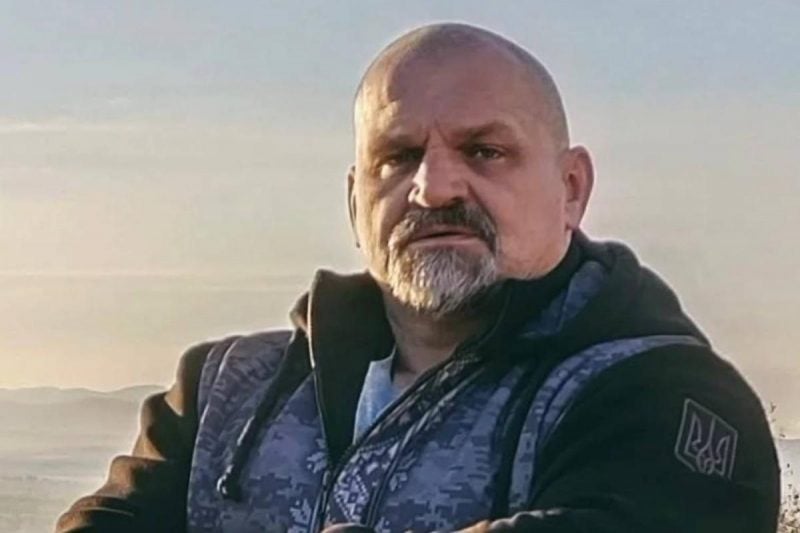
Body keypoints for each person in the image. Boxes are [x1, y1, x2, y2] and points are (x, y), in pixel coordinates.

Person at [56, 23, 780, 533]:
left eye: (484, 150)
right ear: (355, 202)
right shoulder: (223, 390)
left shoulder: (667, 398)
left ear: (571, 188)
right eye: (397, 158)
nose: (433, 188)